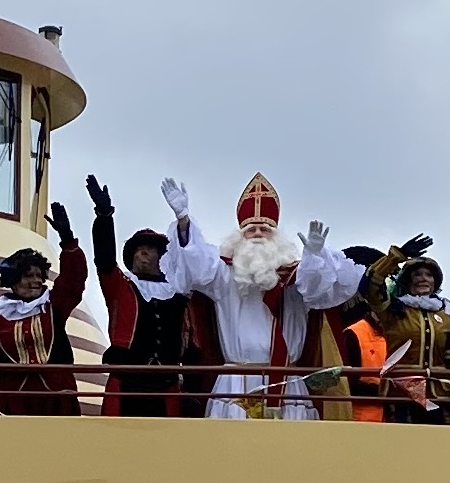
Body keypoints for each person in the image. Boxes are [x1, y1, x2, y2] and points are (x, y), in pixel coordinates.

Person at [155, 173, 362, 420]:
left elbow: (318, 291)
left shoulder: (295, 279)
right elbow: (193, 265)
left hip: (287, 384)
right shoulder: (224, 275)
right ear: (238, 237)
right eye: (250, 229)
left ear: (277, 237)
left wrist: (315, 257)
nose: (257, 234)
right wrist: (183, 221)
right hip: (236, 382)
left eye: (265, 229)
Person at [80, 175, 199, 417]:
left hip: (166, 386)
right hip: (126, 384)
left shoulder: (178, 293)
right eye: (138, 249)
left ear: (162, 257)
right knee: (116, 438)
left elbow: (193, 261)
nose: (143, 253)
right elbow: (104, 259)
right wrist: (104, 216)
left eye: (150, 248)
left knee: (167, 439)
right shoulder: (121, 286)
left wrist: (183, 220)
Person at [0, 220, 90, 416]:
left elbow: (74, 280)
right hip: (13, 403)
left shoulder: (52, 305)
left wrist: (68, 241)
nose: (36, 281)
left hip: (56, 399)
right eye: (29, 276)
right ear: (13, 281)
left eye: (39, 275)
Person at [360, 238, 450, 421]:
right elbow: (369, 286)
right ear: (407, 280)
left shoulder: (446, 319)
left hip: (439, 397)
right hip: (401, 396)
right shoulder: (393, 310)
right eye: (417, 274)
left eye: (429, 275)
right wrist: (396, 257)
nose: (423, 279)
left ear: (435, 282)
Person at [333, 246, 389, 423]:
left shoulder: (399, 328)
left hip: (393, 417)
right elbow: (346, 381)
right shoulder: (352, 332)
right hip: (359, 416)